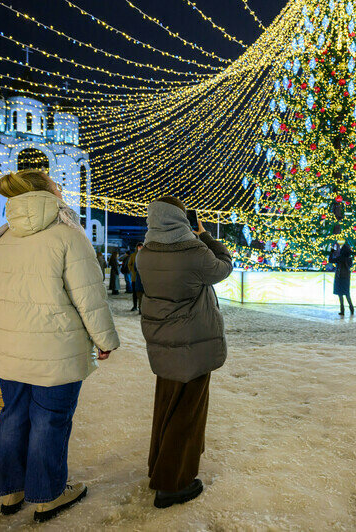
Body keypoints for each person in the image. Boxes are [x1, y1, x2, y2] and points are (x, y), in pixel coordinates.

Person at [0, 169, 119, 522]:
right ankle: (47, 494)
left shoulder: (1, 238)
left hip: (7, 350)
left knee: (12, 417)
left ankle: (11, 491)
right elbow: (89, 297)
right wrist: (105, 339)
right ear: (48, 193)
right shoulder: (68, 235)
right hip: (55, 350)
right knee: (49, 420)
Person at [135, 196, 232, 509]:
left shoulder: (144, 254)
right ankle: (173, 483)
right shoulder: (193, 252)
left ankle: (158, 467)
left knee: (166, 406)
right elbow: (224, 267)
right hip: (192, 344)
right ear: (180, 219)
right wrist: (204, 235)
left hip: (162, 342)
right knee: (187, 412)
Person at [329, 239, 354, 316]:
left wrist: (332, 251)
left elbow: (331, 260)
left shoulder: (340, 258)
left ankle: (342, 310)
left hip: (340, 277)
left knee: (340, 294)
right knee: (347, 294)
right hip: (346, 277)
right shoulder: (349, 259)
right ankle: (351, 309)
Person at [129, 242, 144, 312]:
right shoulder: (133, 255)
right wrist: (132, 271)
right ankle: (135, 306)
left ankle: (141, 307)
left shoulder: (145, 255)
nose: (140, 248)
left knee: (142, 294)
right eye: (139, 247)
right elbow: (129, 264)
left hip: (143, 278)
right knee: (135, 293)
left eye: (141, 247)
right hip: (135, 278)